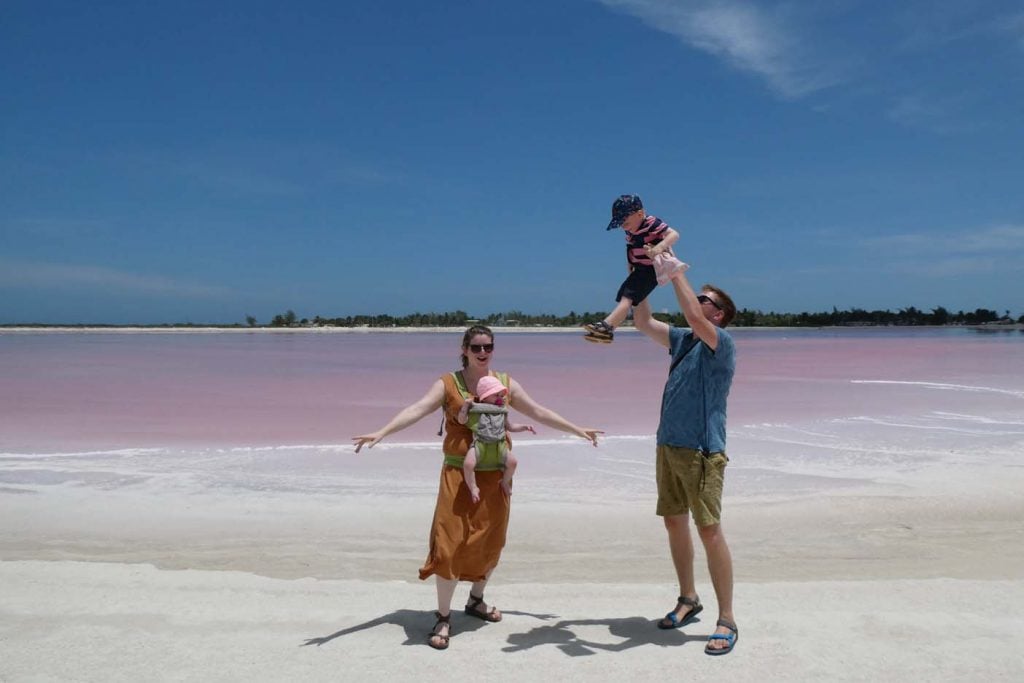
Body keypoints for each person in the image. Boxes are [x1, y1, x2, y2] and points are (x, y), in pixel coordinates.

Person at [352, 325, 603, 651]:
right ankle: (443, 616)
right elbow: (416, 408)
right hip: (458, 476)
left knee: (489, 542)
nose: (483, 353)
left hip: (496, 478)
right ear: (465, 349)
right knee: (449, 544)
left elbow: (538, 411)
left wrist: (577, 429)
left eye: (488, 347)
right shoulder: (448, 384)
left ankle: (475, 600)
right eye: (476, 347)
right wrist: (382, 431)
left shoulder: (505, 384)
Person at [631, 268, 740, 656]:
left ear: (718, 314)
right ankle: (689, 598)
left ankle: (727, 618)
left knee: (710, 531)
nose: (699, 304)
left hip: (702, 450)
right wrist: (639, 277)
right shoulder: (681, 341)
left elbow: (692, 314)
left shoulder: (720, 343)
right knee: (674, 523)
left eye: (706, 300)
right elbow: (641, 320)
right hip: (668, 446)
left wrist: (675, 273)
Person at [583, 194, 687, 344]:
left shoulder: (651, 223)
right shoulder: (631, 229)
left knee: (628, 299)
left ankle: (607, 326)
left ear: (639, 214)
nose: (622, 226)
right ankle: (608, 329)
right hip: (639, 269)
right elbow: (632, 247)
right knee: (625, 297)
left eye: (624, 221)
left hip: (650, 270)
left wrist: (659, 248)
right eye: (620, 223)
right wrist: (630, 264)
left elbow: (674, 234)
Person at [457, 375, 534, 504]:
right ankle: (473, 487)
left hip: (499, 445)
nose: (500, 398)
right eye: (496, 395)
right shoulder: (475, 410)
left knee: (513, 462)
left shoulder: (501, 411)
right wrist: (465, 406)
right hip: (480, 445)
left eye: (501, 395)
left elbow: (510, 427)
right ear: (485, 396)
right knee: (468, 464)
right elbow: (461, 420)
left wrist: (524, 427)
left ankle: (504, 482)